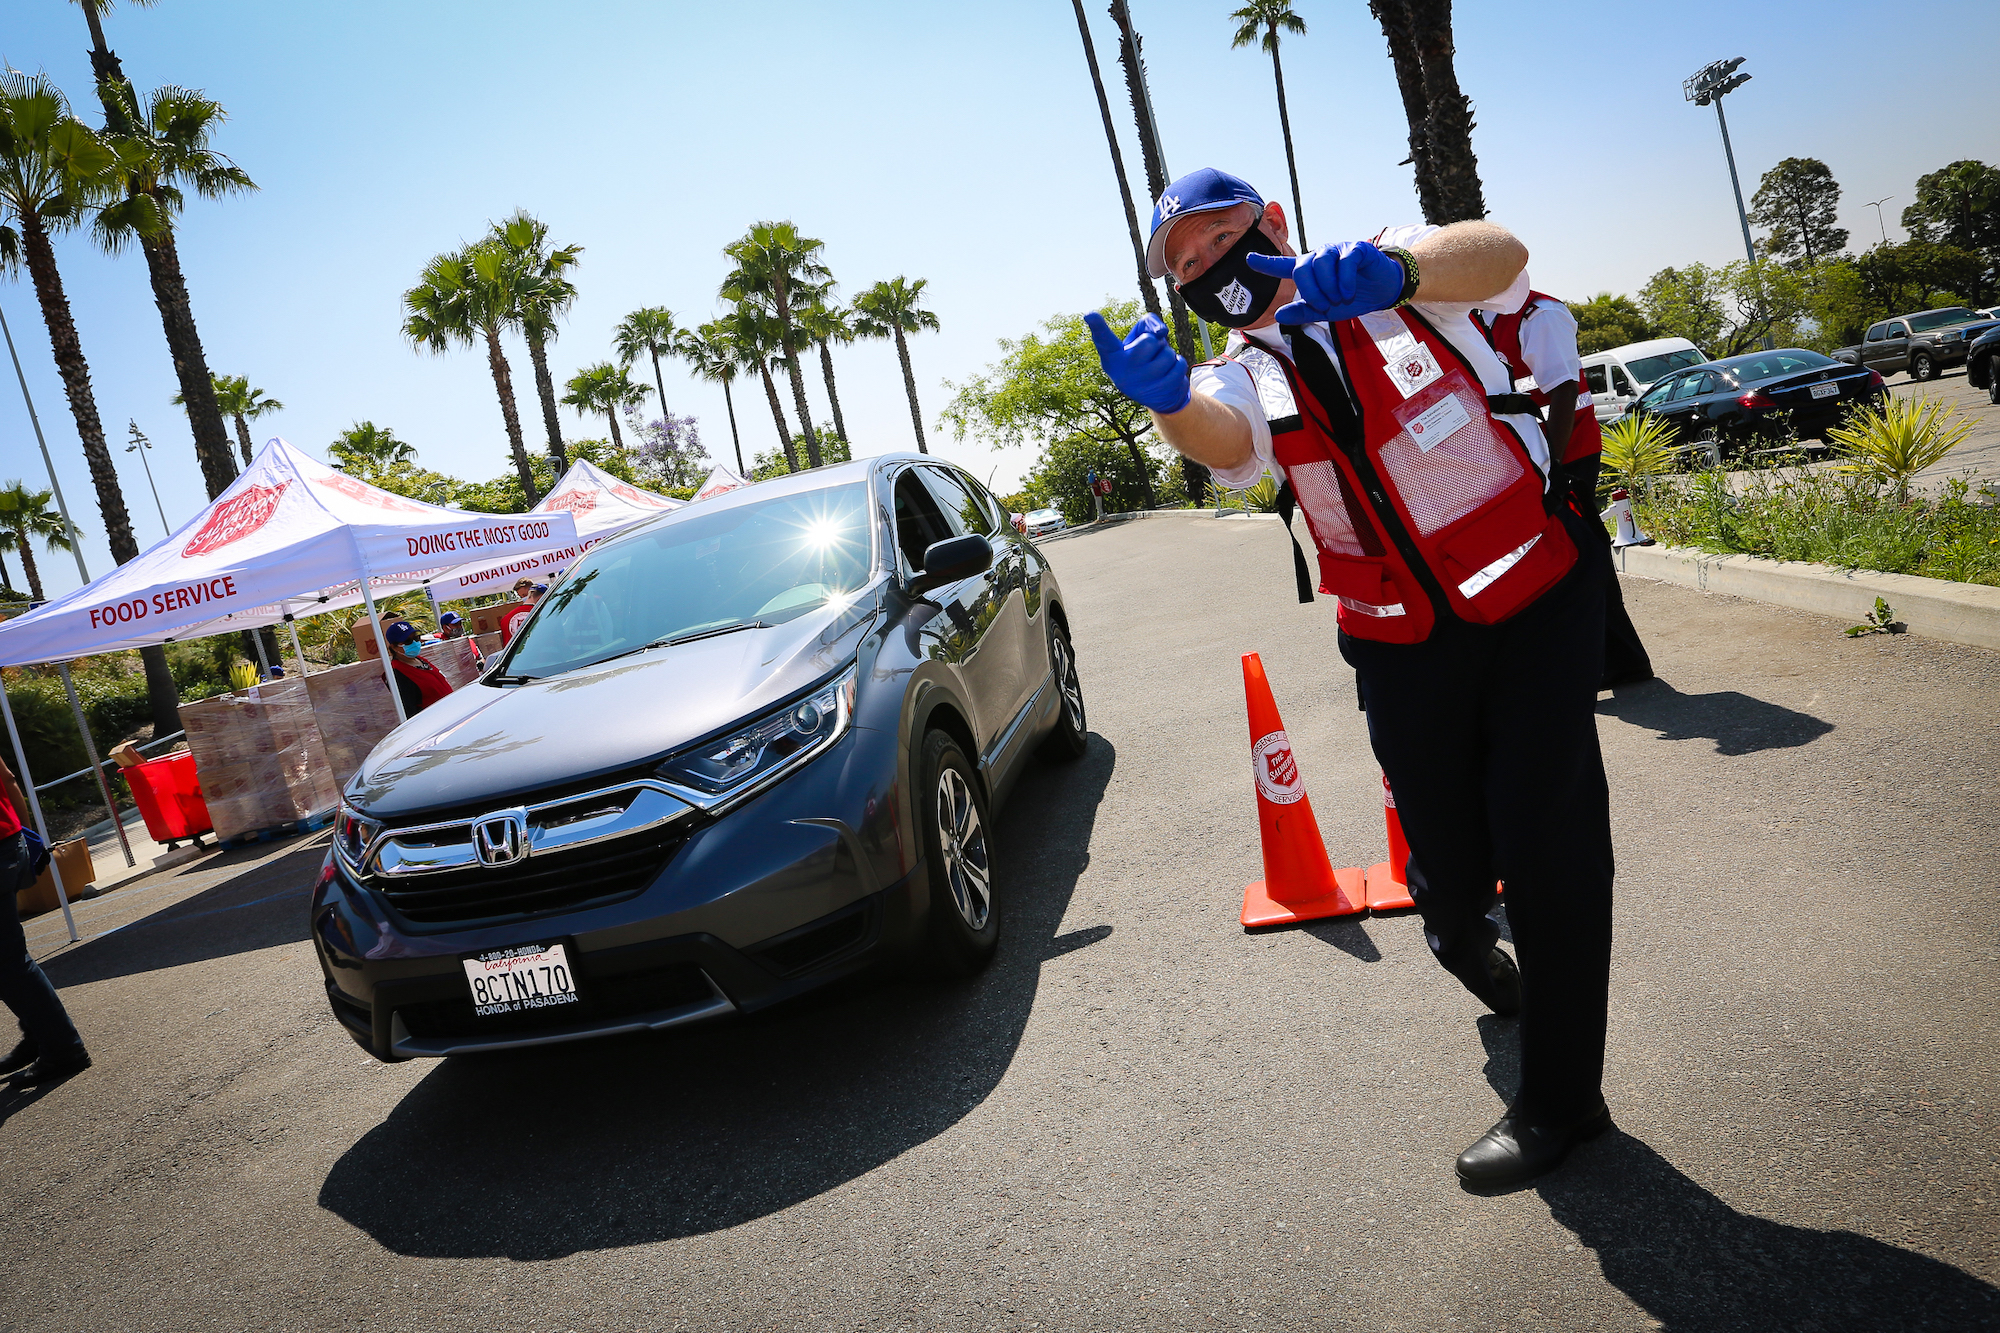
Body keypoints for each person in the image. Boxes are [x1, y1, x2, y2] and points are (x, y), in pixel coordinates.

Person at [1086, 168, 1614, 1187]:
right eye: (1182, 267)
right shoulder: (1245, 365)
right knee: (1451, 866)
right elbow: (1229, 445)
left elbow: (1500, 256)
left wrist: (1397, 271)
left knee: (1549, 843)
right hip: (1398, 636)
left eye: (1214, 241)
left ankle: (1562, 1098)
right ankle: (1457, 926)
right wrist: (1163, 406)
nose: (1203, 270)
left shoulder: (1396, 265)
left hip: (1533, 596)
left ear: (1269, 223)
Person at [1475, 291, 1653, 688]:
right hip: (1530, 460)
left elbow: (1565, 392)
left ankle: (1620, 662)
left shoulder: (1540, 314)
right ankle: (1607, 661)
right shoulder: (1478, 318)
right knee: (1567, 557)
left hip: (1564, 456)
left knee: (1582, 555)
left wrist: (1550, 467)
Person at [0, 753, 90, 1085]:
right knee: (8, 960)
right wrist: (24, 833)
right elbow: (8, 779)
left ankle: (63, 1047)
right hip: (8, 841)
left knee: (9, 961)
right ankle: (42, 1036)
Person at [382, 619, 454, 716]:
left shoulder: (420, 660)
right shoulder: (397, 673)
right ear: (394, 647)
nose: (414, 643)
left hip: (452, 712)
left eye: (416, 638)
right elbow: (410, 710)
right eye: (408, 641)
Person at [501, 581, 542, 645]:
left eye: (525, 595)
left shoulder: (506, 619)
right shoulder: (543, 613)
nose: (524, 598)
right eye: (521, 596)